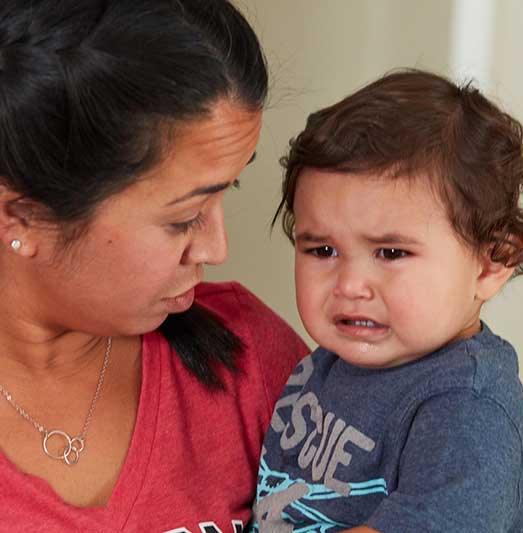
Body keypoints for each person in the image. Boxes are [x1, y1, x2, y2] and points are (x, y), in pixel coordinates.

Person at [0, 1, 307, 531]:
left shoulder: (251, 360)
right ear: (22, 217)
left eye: (226, 191)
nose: (215, 248)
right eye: (184, 217)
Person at [252, 69, 523, 532]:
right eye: (322, 250)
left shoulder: (468, 409)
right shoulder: (331, 364)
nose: (350, 284)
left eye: (391, 253)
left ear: (492, 262)